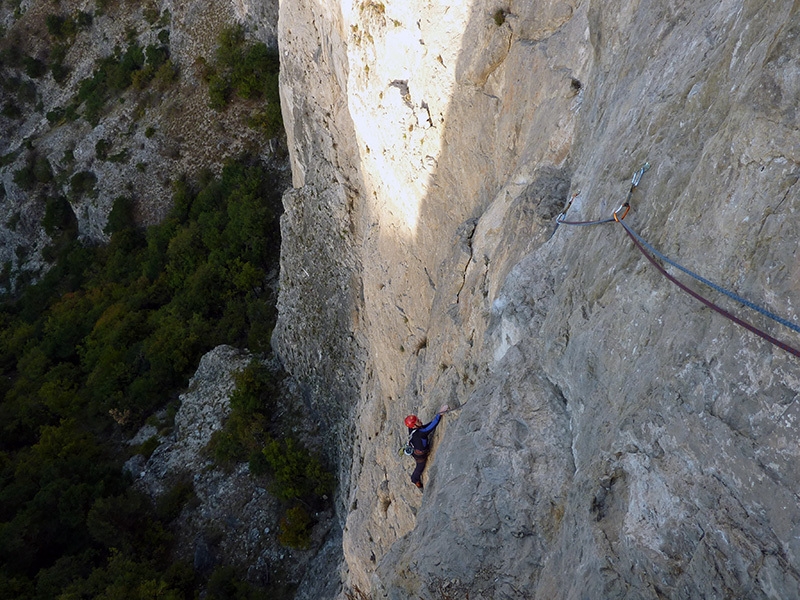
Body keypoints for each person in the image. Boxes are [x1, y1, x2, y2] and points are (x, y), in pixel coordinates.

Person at [405, 404, 450, 490]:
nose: (420, 420)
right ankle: (415, 479)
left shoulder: (412, 428)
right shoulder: (421, 433)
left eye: (418, 419)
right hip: (420, 455)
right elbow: (431, 426)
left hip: (414, 448)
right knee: (420, 467)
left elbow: (424, 427)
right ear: (414, 426)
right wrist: (440, 414)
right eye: (418, 421)